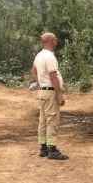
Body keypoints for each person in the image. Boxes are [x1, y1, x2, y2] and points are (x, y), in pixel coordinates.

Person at [31, 32, 68, 161]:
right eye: (55, 39)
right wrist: (59, 94)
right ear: (50, 41)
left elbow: (33, 71)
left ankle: (43, 148)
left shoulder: (39, 56)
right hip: (50, 91)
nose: (56, 41)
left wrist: (40, 82)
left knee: (43, 121)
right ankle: (52, 149)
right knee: (52, 120)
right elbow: (53, 76)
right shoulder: (50, 56)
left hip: (42, 92)